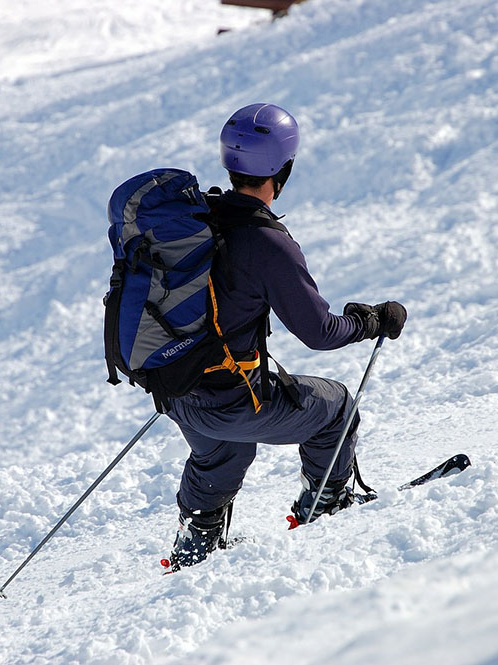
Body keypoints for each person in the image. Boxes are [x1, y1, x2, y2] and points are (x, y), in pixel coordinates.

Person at [165, 103, 407, 569]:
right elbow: (319, 332)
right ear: (285, 168)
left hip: (177, 390)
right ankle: (326, 503)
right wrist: (371, 320)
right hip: (228, 398)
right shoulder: (266, 242)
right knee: (335, 406)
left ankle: (196, 540)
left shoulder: (197, 222)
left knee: (225, 448)